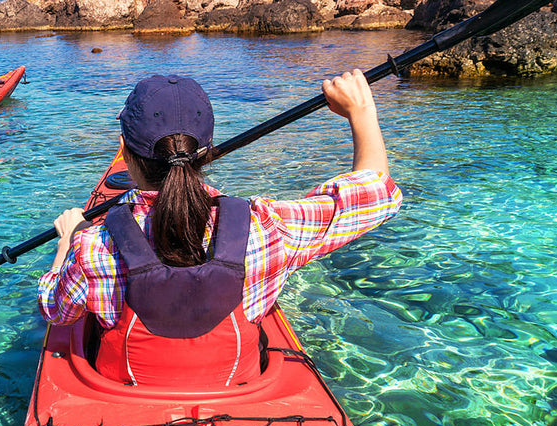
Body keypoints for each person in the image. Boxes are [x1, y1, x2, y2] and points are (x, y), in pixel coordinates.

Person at [38, 71, 402, 388]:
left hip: (124, 391)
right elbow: (377, 194)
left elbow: (55, 310)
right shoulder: (265, 228)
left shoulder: (92, 248)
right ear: (208, 152)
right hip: (236, 391)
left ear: (124, 150)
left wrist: (65, 246)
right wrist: (361, 111)